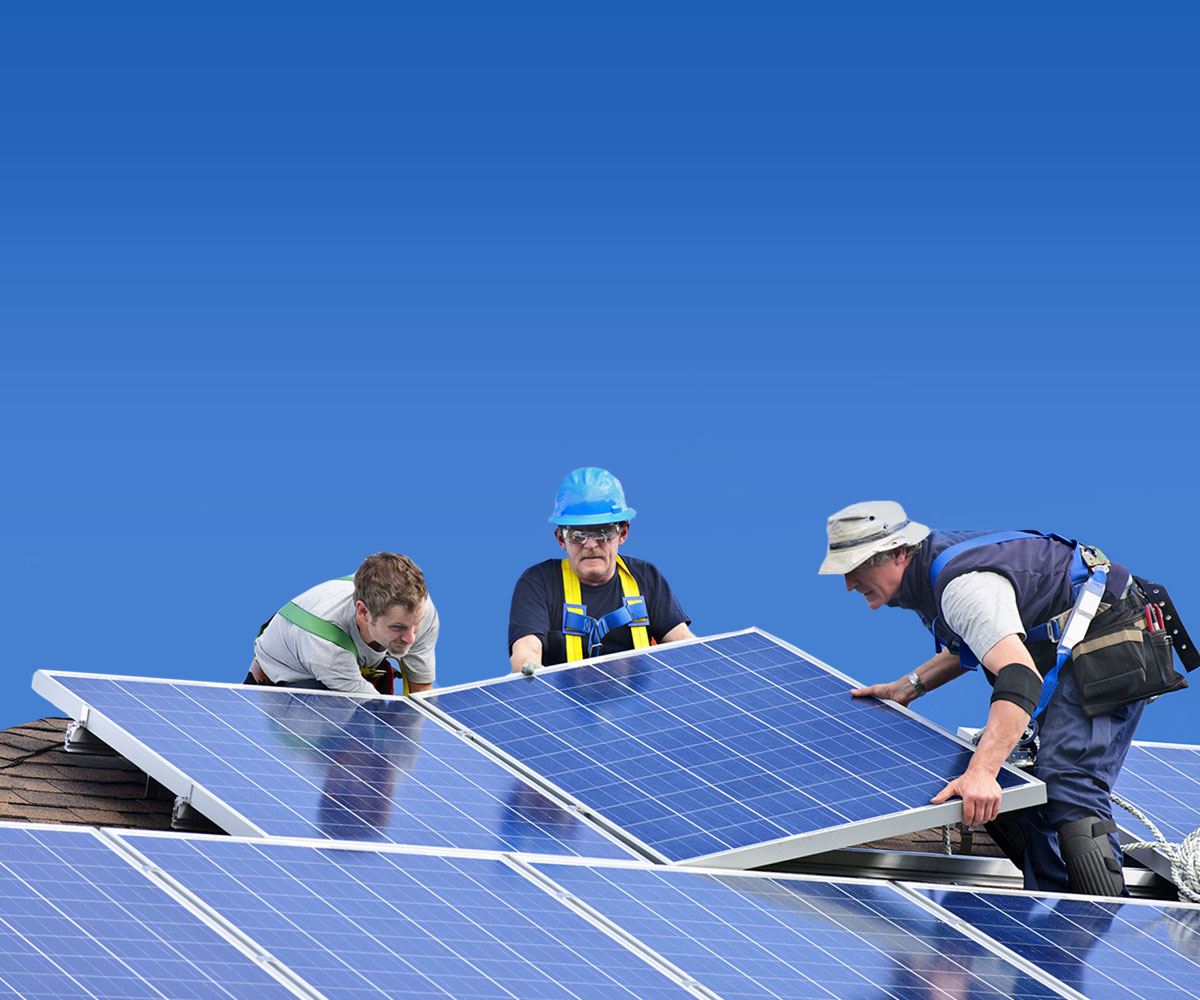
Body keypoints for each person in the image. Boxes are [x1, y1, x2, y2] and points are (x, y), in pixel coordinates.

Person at [819, 501, 1188, 896]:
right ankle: (1062, 907)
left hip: (1110, 638)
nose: (849, 583)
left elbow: (1018, 674)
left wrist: (983, 771)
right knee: (1017, 781)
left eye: (857, 568)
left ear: (897, 553)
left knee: (1068, 777)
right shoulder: (932, 577)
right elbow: (978, 641)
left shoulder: (963, 585)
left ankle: (1104, 917)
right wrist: (909, 686)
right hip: (1068, 646)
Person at [509, 467, 694, 671]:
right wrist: (529, 671)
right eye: (577, 535)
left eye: (602, 532)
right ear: (561, 539)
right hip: (565, 702)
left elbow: (683, 643)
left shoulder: (645, 578)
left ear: (622, 534)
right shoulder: (538, 583)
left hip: (642, 701)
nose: (590, 544)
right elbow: (526, 650)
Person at [247, 552, 438, 695]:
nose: (411, 638)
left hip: (340, 657)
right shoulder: (326, 647)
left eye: (416, 624)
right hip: (288, 675)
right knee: (335, 722)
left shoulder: (420, 610)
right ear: (363, 611)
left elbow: (421, 691)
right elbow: (375, 714)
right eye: (397, 627)